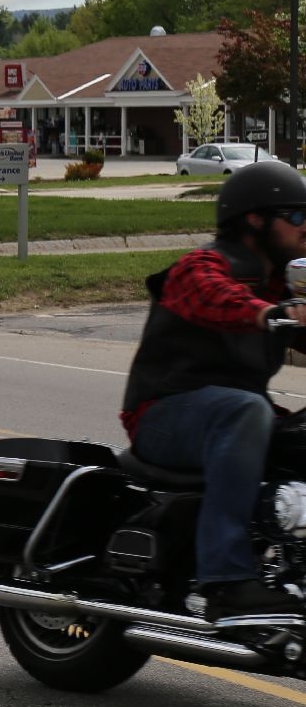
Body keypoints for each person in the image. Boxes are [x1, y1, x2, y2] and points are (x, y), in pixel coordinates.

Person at [121, 161, 306, 620]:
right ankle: (227, 580)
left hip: (232, 414)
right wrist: (270, 313)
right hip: (163, 415)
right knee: (245, 409)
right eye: (297, 216)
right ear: (255, 220)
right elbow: (214, 295)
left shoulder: (281, 284)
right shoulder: (202, 267)